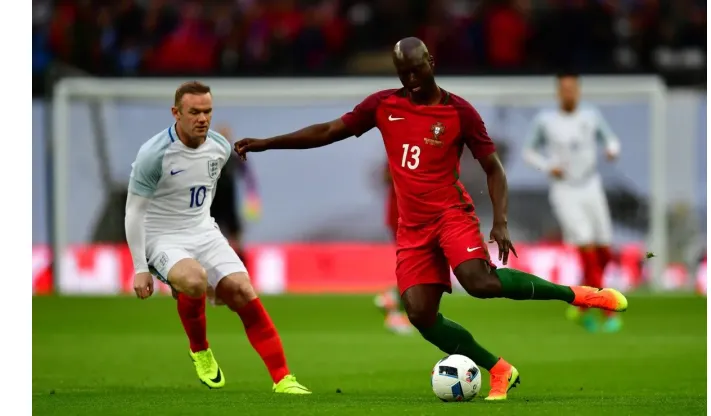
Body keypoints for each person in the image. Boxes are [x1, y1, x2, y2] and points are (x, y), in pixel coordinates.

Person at [233, 38, 628, 401]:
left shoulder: (459, 112)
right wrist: (269, 143)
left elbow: (494, 169)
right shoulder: (384, 105)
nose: (410, 79)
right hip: (413, 228)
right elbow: (329, 130)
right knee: (420, 315)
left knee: (480, 282)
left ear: (431, 62)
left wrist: (500, 221)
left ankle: (579, 295)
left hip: (450, 215)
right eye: (403, 73)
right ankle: (499, 369)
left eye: (416, 70)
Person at [124, 81, 310, 394]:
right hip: (162, 235)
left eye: (207, 111)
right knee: (194, 279)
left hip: (203, 230)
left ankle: (283, 379)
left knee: (240, 290)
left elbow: (212, 194)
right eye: (194, 112)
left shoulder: (220, 148)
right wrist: (140, 267)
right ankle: (200, 350)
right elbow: (134, 212)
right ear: (176, 113)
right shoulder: (153, 154)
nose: (202, 118)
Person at [522, 72, 622, 333]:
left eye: (572, 89)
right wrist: (547, 166)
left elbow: (610, 139)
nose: (568, 93)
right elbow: (528, 151)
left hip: (591, 184)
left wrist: (612, 149)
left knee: (604, 249)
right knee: (586, 246)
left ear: (578, 91)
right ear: (558, 93)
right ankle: (608, 310)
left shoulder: (591, 117)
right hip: (564, 189)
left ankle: (581, 307)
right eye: (564, 89)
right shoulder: (546, 121)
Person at [209, 124, 261, 270]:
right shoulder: (209, 157)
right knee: (212, 240)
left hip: (229, 205)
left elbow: (249, 177)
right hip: (213, 205)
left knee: (236, 239)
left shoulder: (234, 158)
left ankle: (244, 271)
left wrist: (252, 199)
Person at [374, 163, 413, 335]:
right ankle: (396, 310)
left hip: (414, 216)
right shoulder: (400, 151)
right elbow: (385, 177)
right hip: (404, 217)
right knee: (412, 265)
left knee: (414, 264)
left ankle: (393, 299)